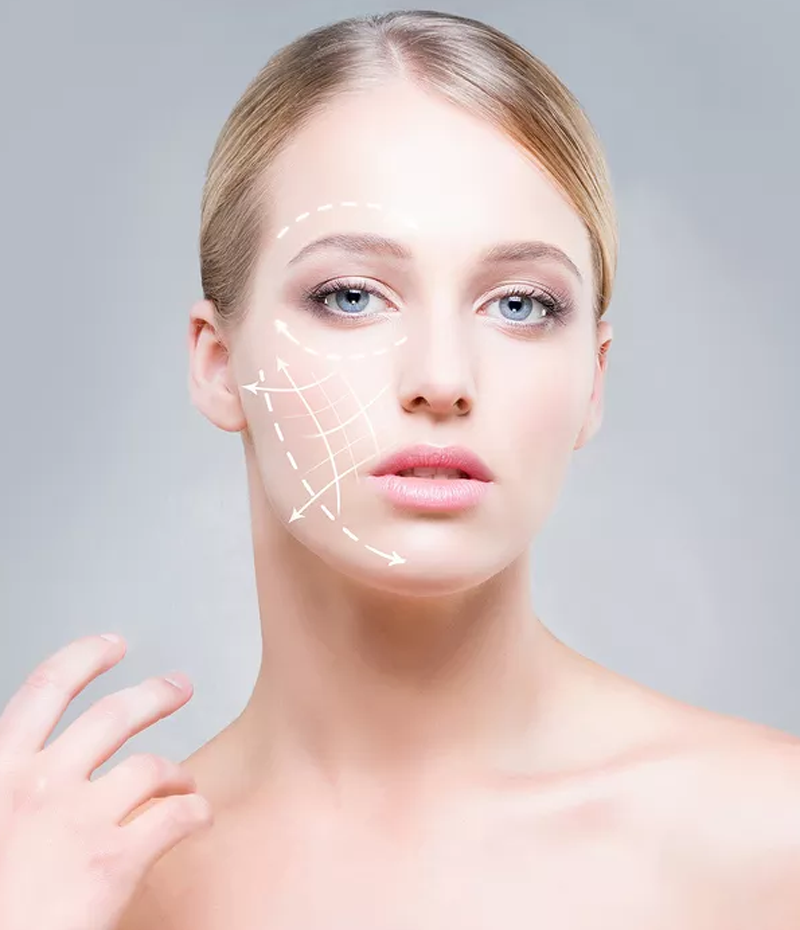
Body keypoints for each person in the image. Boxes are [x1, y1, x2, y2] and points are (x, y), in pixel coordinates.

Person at [1, 9, 799, 929]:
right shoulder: (93, 888)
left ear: (593, 379)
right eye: (350, 296)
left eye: (520, 304)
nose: (442, 379)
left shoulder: (771, 841)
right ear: (219, 365)